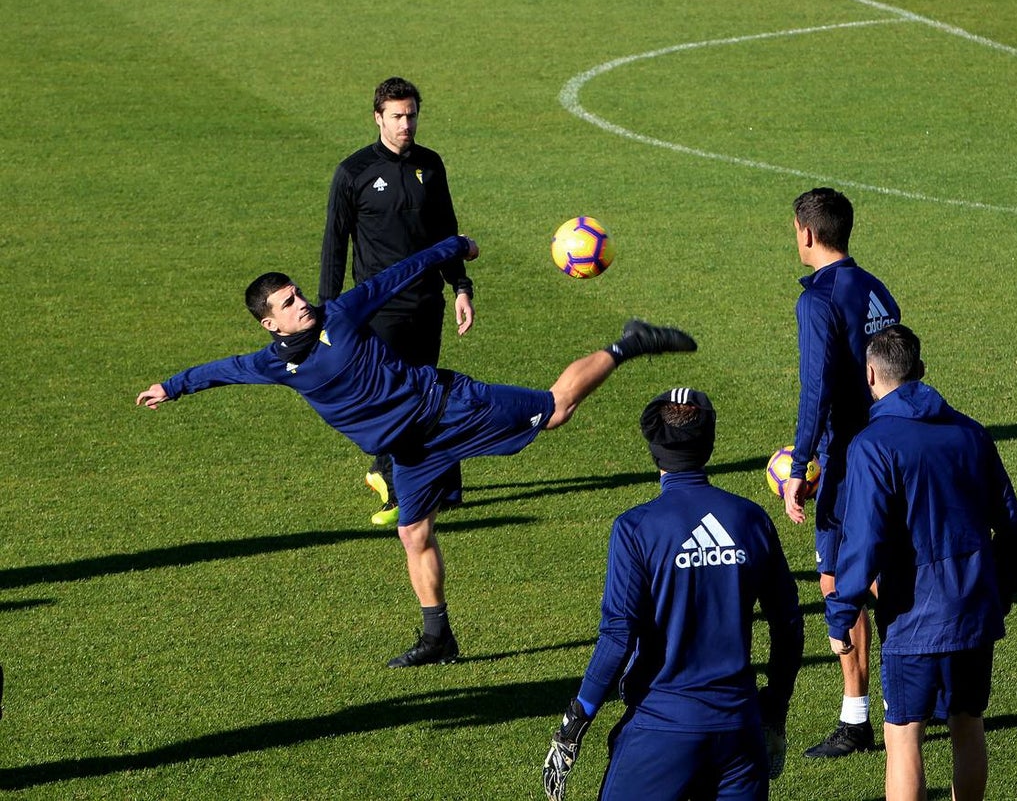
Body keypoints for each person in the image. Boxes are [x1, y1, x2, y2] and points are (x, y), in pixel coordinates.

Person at [136, 235, 697, 668]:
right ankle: (437, 636)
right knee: (413, 533)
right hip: (410, 453)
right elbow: (223, 371)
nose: (303, 303)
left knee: (554, 410)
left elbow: (399, 272)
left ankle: (630, 342)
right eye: (288, 302)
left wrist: (456, 248)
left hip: (449, 407)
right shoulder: (272, 363)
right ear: (270, 322)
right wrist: (172, 385)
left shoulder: (342, 314)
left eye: (300, 293)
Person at [543, 388, 803, 801]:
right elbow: (788, 624)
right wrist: (774, 710)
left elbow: (617, 638)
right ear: (710, 444)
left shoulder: (636, 529)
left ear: (654, 450)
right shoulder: (751, 520)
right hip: (739, 731)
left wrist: (574, 725)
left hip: (661, 732)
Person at [825, 324, 1017, 801]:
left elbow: (862, 544)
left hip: (911, 621)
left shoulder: (873, 446)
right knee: (968, 725)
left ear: (871, 375)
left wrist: (841, 614)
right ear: (919, 370)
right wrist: (997, 592)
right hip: (974, 613)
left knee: (903, 736)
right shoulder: (971, 433)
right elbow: (1015, 531)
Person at [319, 76, 472, 527]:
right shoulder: (354, 172)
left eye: (411, 115)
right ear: (378, 118)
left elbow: (447, 231)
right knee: (391, 396)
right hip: (379, 308)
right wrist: (327, 311)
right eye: (397, 117)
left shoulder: (431, 164)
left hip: (427, 303)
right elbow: (335, 243)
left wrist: (460, 287)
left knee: (428, 389)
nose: (406, 124)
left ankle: (443, 483)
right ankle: (390, 481)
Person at [782, 187, 900, 757]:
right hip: (890, 448)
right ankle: (880, 711)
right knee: (872, 577)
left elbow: (817, 391)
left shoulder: (816, 301)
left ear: (806, 233)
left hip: (846, 460)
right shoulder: (877, 288)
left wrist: (802, 463)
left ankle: (874, 716)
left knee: (842, 581)